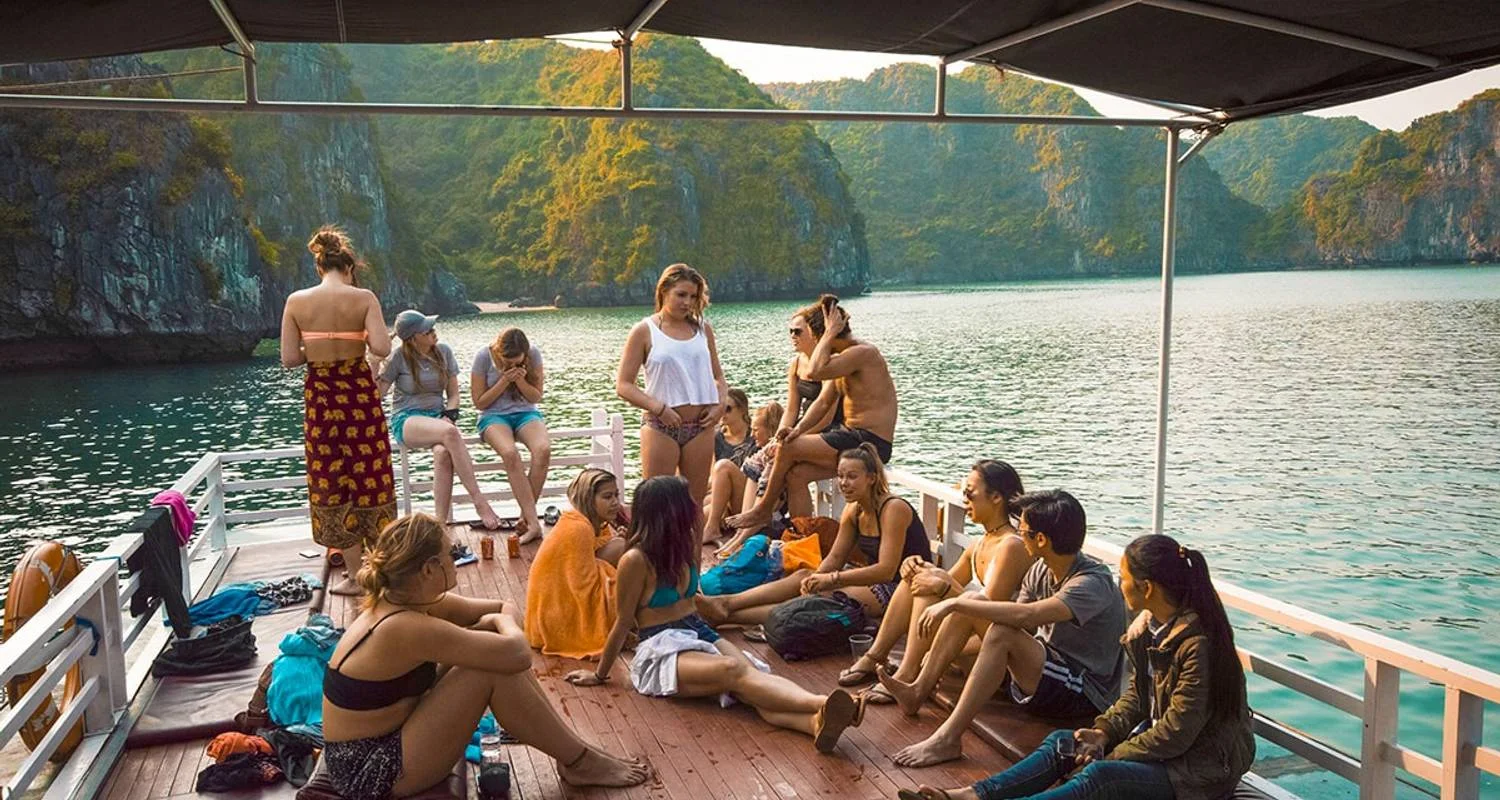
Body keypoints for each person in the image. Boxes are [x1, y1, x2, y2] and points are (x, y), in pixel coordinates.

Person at [899, 534, 1254, 800]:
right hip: (1167, 754)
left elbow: (1177, 732)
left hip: (1200, 772)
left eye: (1124, 577)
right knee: (1062, 743)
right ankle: (974, 795)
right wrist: (1101, 733)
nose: (1120, 584)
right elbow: (1136, 697)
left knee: (1100, 777)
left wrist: (1111, 753)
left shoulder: (1197, 647)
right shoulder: (1150, 627)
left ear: (1146, 588)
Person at [320, 513, 649, 800]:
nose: (456, 559)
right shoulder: (402, 625)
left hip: (388, 741)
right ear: (429, 569)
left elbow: (505, 607)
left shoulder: (409, 601)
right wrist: (495, 624)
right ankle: (579, 760)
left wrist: (494, 623)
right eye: (451, 554)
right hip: (366, 770)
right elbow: (518, 652)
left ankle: (577, 755)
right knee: (486, 669)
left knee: (493, 656)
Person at [563, 476, 864, 754]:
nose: (694, 508)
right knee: (734, 671)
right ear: (670, 512)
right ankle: (825, 703)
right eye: (687, 504)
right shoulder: (635, 559)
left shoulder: (684, 547)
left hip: (698, 631)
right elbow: (623, 621)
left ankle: (814, 724)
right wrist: (600, 675)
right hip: (661, 648)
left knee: (752, 679)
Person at [880, 490, 1127, 767]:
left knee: (987, 621)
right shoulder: (1041, 570)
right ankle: (917, 690)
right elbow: (1018, 622)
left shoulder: (1091, 582)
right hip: (1046, 671)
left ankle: (948, 738)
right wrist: (959, 623)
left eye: (1023, 531)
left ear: (1041, 540)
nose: (1019, 536)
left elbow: (1027, 616)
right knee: (973, 604)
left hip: (1082, 692)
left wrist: (953, 602)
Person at [839, 460, 1035, 702]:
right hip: (969, 639)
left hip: (997, 656)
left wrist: (939, 589)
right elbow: (945, 583)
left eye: (969, 493)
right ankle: (876, 655)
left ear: (996, 497)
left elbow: (990, 615)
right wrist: (913, 566)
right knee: (920, 575)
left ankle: (907, 673)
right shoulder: (979, 544)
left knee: (932, 584)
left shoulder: (1011, 546)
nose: (964, 499)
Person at [280, 227, 395, 597]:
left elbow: (289, 358)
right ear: (349, 267)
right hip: (359, 397)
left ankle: (354, 576)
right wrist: (356, 338)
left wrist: (317, 345)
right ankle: (381, 570)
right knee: (370, 474)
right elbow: (381, 348)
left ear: (319, 267)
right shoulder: (363, 298)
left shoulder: (296, 301)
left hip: (322, 399)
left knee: (332, 479)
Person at [698, 444, 931, 626]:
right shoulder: (854, 510)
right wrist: (815, 578)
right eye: (840, 476)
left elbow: (886, 570)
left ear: (871, 478)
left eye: (852, 477)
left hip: (899, 589)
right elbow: (836, 557)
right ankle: (726, 602)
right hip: (871, 581)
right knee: (805, 576)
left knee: (822, 598)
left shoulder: (893, 509)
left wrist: (830, 580)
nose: (844, 483)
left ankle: (726, 616)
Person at [726, 294, 896, 533]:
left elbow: (815, 371)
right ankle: (805, 540)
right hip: (851, 437)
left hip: (870, 442)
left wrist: (829, 332)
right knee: (796, 474)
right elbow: (824, 402)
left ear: (820, 335)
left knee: (787, 449)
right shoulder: (843, 360)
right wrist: (797, 430)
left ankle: (763, 509)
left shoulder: (863, 353)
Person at [615, 264, 729, 507]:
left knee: (694, 505)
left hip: (700, 427)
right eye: (681, 294)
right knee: (657, 503)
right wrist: (658, 408)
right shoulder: (644, 331)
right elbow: (624, 385)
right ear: (664, 291)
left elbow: (719, 377)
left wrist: (720, 406)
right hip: (660, 426)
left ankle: (693, 537)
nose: (687, 302)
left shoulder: (703, 330)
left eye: (693, 296)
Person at [378, 310, 502, 532]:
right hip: (407, 418)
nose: (433, 332)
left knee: (443, 453)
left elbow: (453, 394)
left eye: (432, 328)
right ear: (413, 338)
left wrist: (449, 414)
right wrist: (375, 362)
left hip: (439, 417)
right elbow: (378, 394)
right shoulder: (398, 357)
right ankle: (479, 501)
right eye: (427, 331)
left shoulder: (443, 352)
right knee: (450, 433)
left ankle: (440, 526)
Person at [524, 468, 627, 659]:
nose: (615, 502)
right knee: (624, 555)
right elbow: (583, 586)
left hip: (543, 613)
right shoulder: (578, 528)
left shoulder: (585, 521)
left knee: (622, 546)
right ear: (588, 499)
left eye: (616, 495)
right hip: (555, 615)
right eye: (607, 497)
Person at [472, 327, 551, 541]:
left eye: (517, 361)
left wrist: (521, 381)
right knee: (510, 453)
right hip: (493, 415)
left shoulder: (533, 354)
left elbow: (535, 397)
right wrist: (504, 381)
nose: (512, 365)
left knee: (543, 450)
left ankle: (525, 519)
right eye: (508, 361)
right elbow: (479, 402)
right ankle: (533, 524)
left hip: (526, 413)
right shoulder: (483, 356)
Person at [703, 397, 780, 547]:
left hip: (749, 504)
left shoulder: (764, 450)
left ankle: (712, 527)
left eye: (727, 408)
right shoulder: (717, 437)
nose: (752, 434)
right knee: (696, 512)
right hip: (732, 497)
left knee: (723, 466)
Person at [714, 389, 758, 467]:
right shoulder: (715, 438)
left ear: (742, 409)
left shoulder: (756, 435)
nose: (722, 412)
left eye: (727, 409)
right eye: (720, 408)